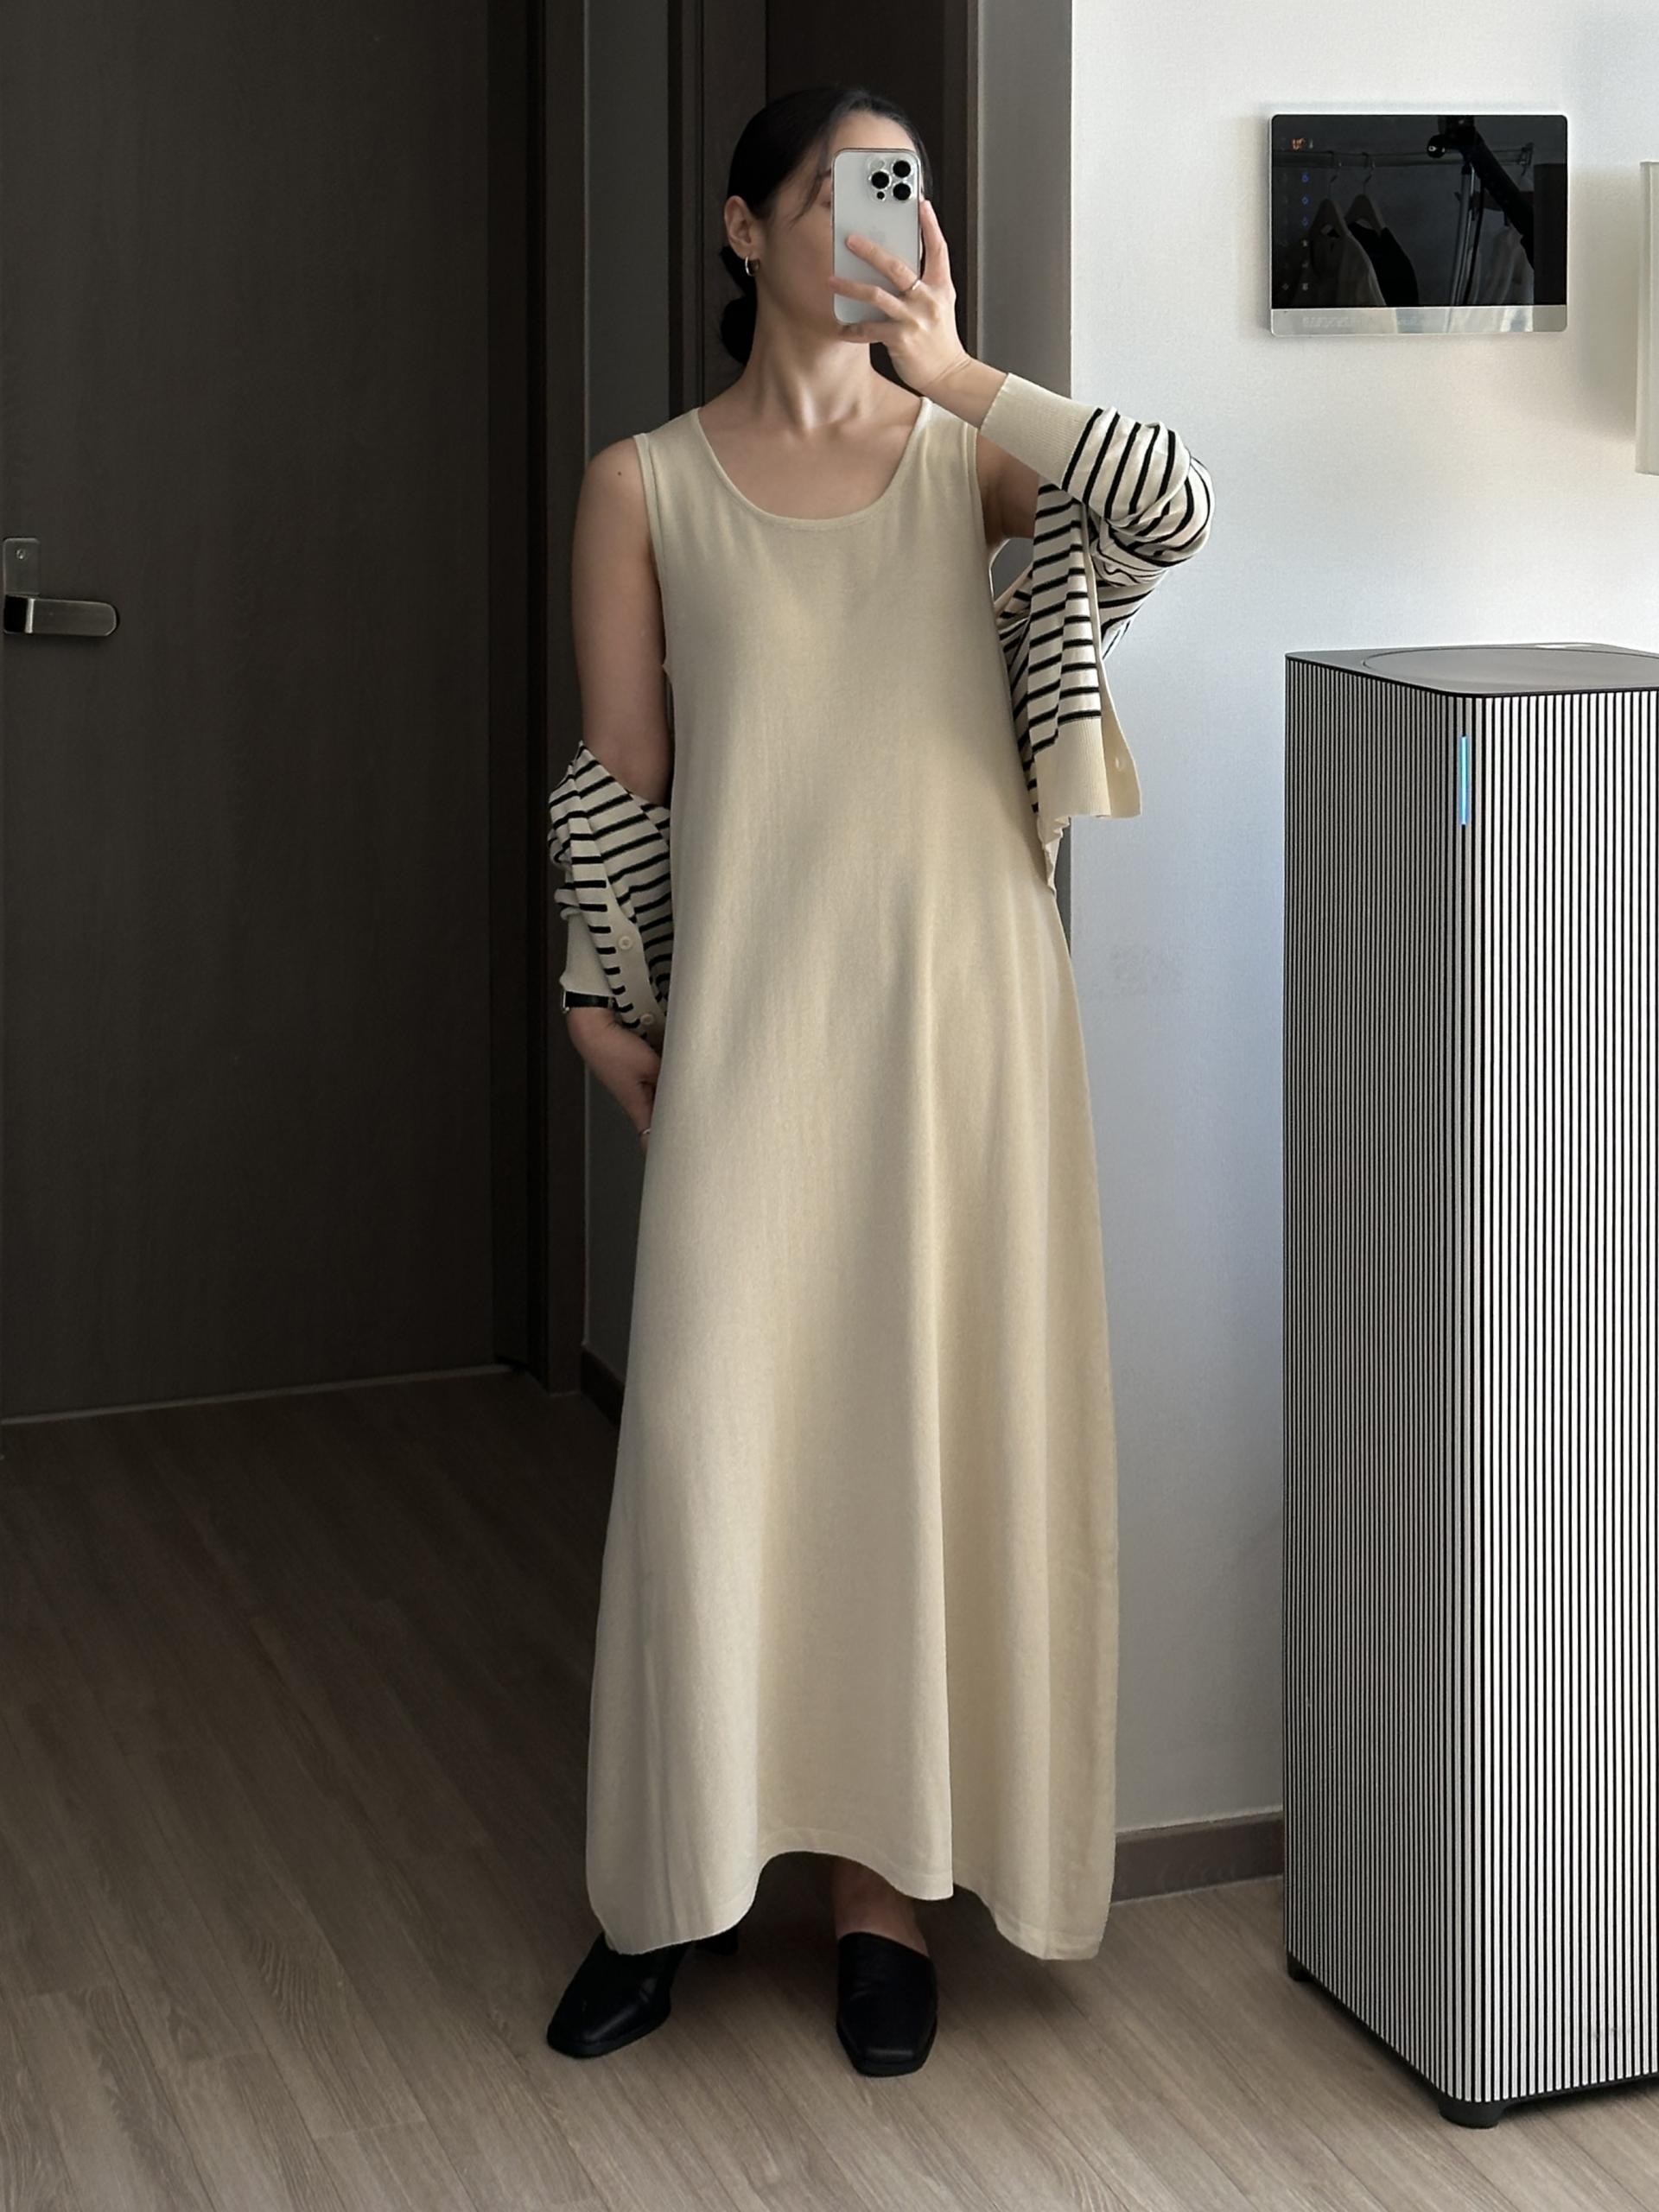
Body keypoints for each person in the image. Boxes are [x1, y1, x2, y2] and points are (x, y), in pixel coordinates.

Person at [545, 83, 1211, 2076]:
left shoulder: (969, 461)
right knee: (712, 1449)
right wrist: (595, 988)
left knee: (916, 1437)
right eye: (842, 189)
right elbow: (624, 773)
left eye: (902, 192)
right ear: (746, 227)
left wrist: (965, 369)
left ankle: (883, 1894)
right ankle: (666, 1884)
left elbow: (1171, 509)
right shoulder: (643, 483)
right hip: (759, 1013)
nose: (880, 223)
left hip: (965, 1019)